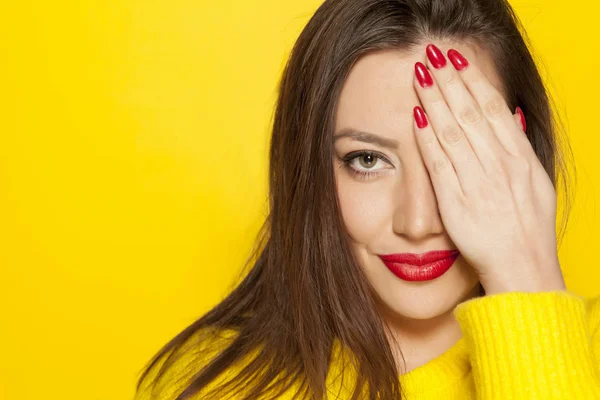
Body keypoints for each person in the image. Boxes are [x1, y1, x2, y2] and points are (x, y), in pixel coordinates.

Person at [133, 0, 600, 398]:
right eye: (367, 160)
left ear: (514, 148)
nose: (417, 223)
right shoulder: (226, 383)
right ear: (310, 167)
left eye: (454, 151)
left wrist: (526, 283)